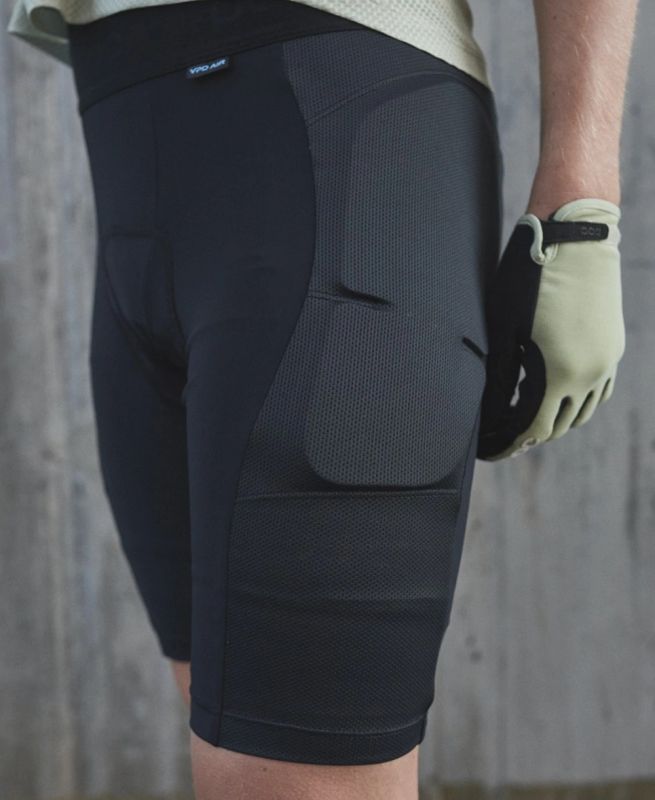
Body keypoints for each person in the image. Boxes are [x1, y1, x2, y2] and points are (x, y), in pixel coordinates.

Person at [5, 1, 638, 799]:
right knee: (234, 744)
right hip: (126, 133)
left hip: (351, 137)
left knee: (299, 773)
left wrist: (581, 209)